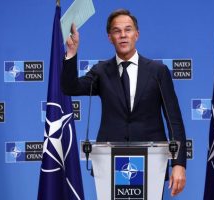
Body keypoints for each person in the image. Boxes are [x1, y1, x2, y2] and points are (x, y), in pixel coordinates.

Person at [61, 9, 186, 197]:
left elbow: (174, 121)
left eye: (128, 30)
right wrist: (71, 53)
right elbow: (70, 88)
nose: (123, 35)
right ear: (110, 37)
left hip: (151, 163)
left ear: (137, 34)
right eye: (117, 31)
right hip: (109, 161)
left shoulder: (158, 72)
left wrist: (178, 163)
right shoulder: (101, 71)